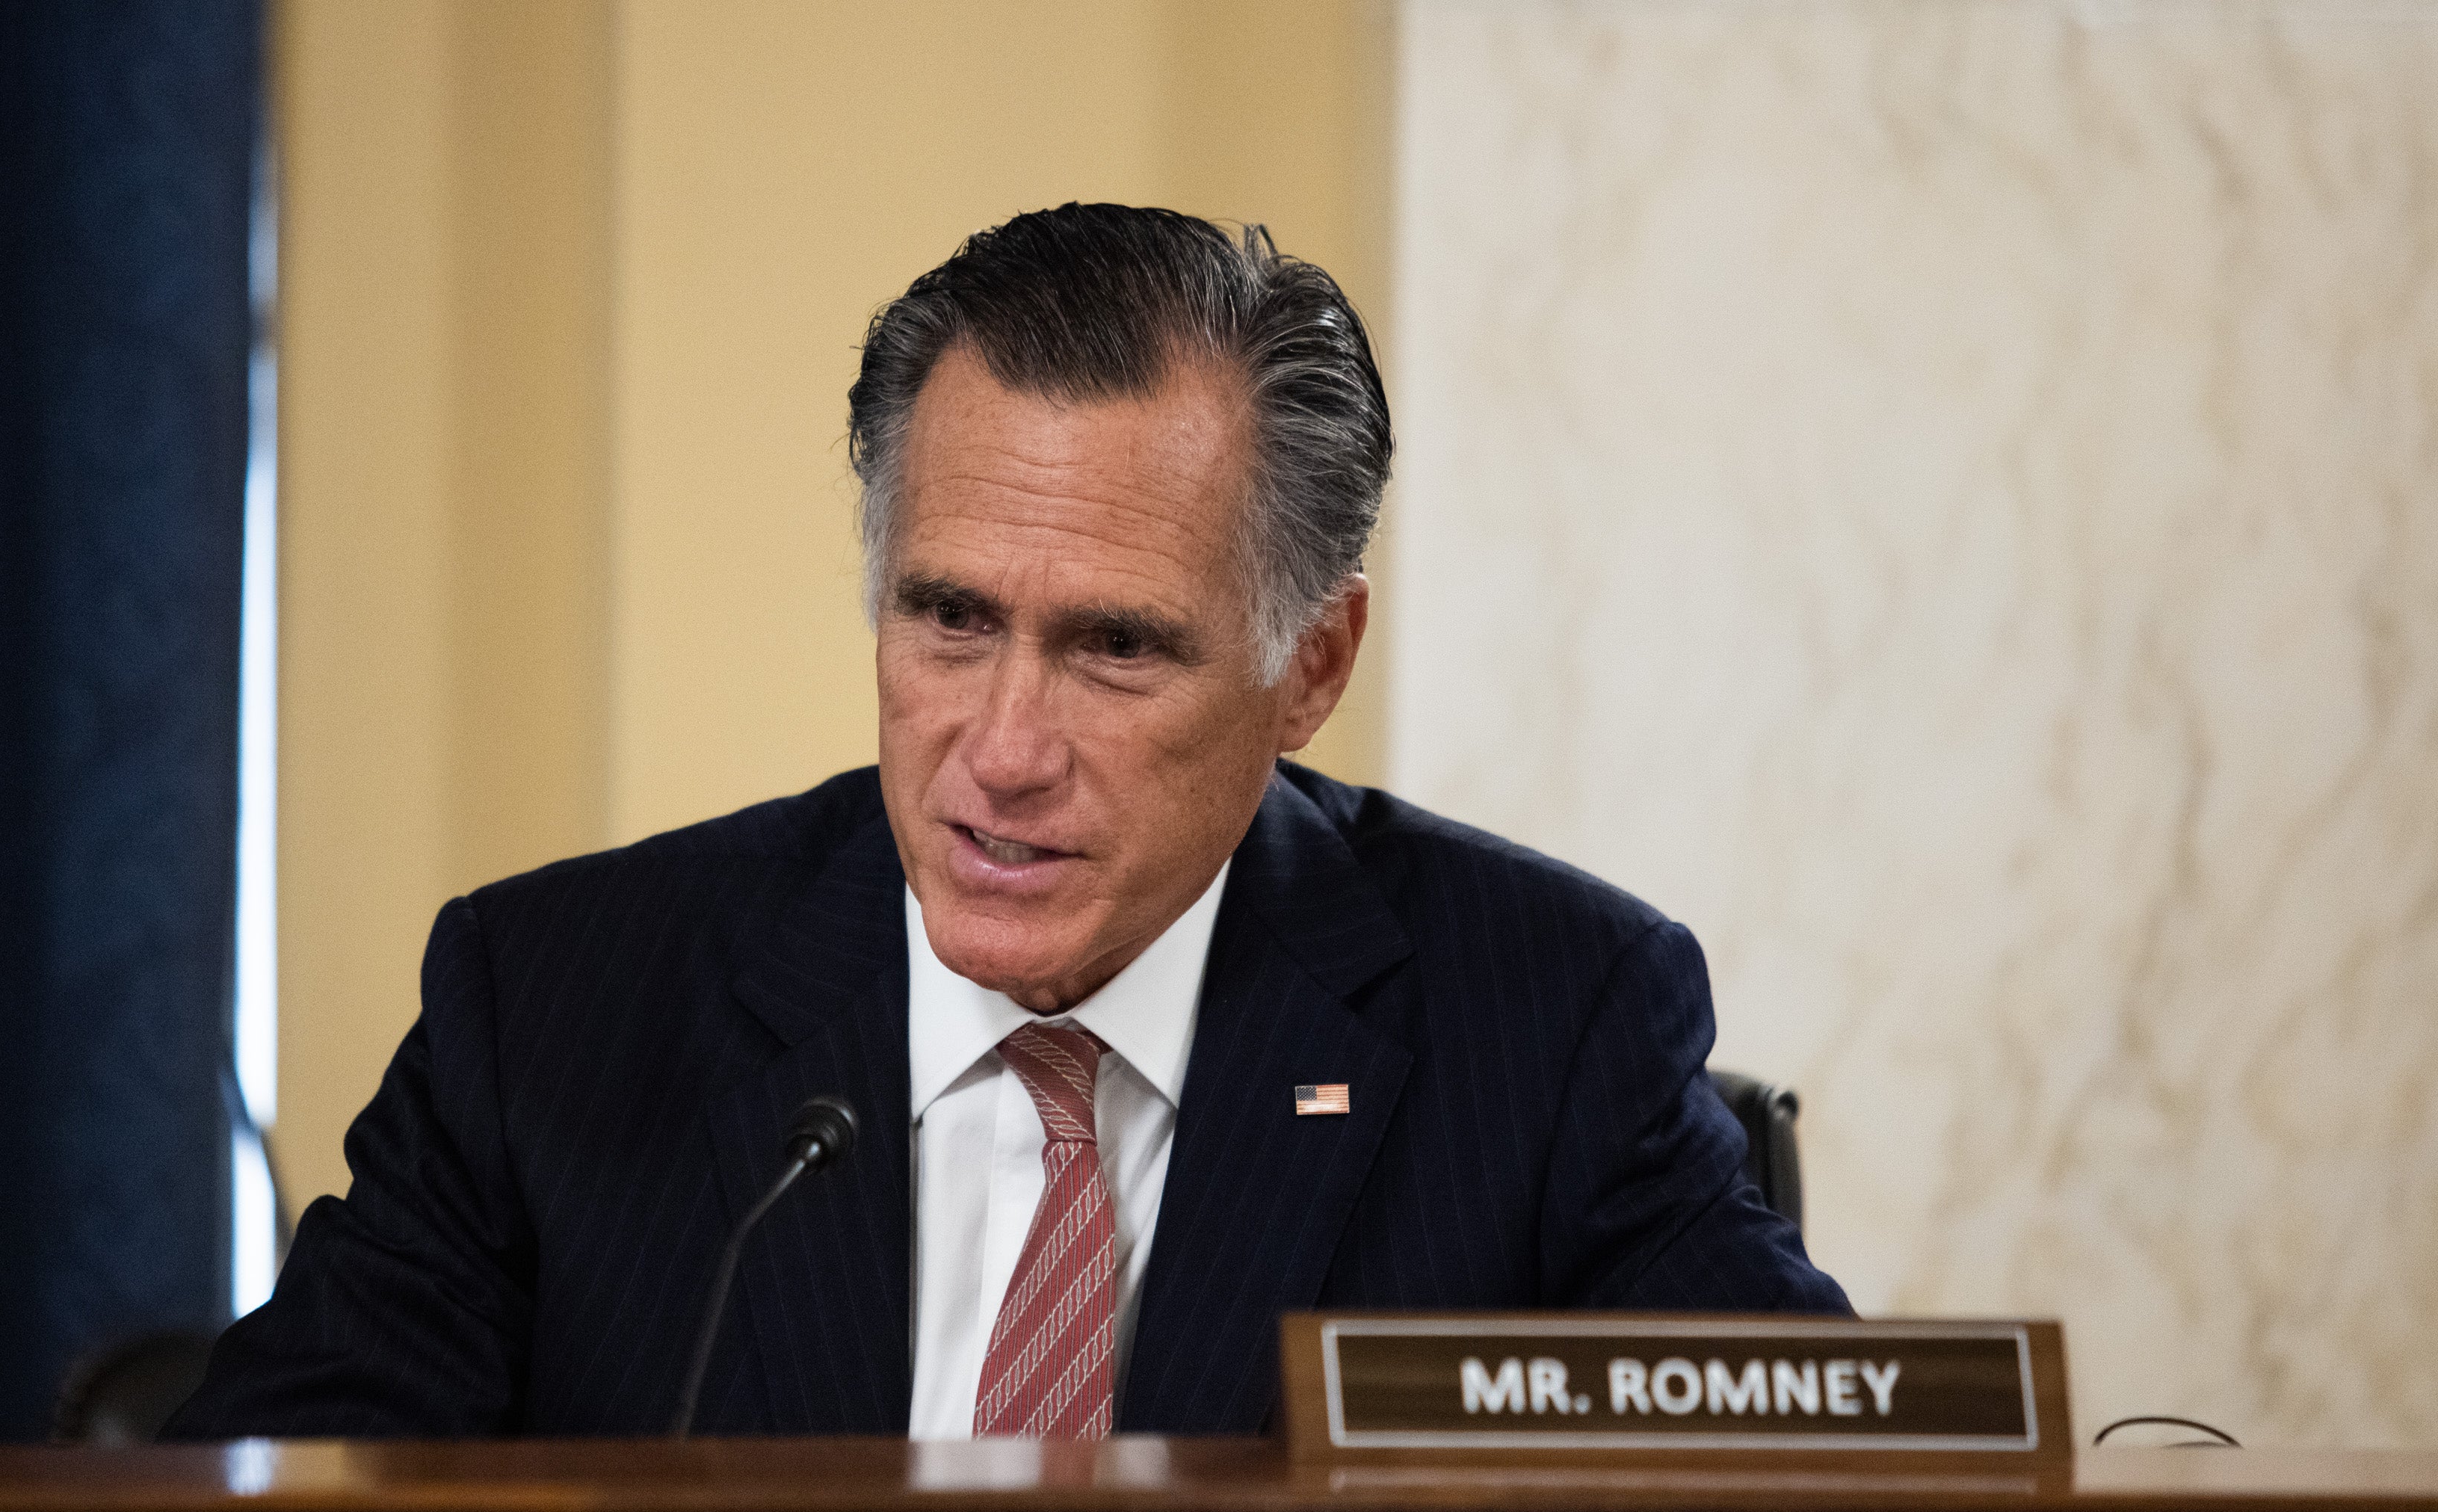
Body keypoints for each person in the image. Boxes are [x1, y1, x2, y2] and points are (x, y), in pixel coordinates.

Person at [167, 204, 1847, 1443]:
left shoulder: (1547, 1027)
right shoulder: (553, 1007)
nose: (1004, 749)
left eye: (1116, 647)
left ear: (1312, 666)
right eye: (950, 619)